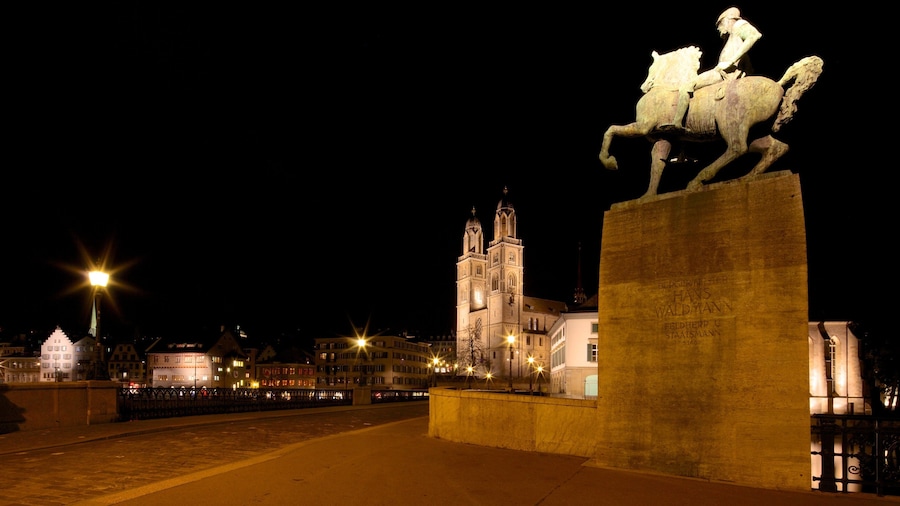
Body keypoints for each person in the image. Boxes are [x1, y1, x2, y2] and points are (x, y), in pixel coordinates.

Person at [663, 7, 762, 132]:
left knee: (686, 86)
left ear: (727, 20)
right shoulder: (733, 37)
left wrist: (730, 62)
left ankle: (677, 123)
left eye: (720, 24)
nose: (718, 28)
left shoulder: (738, 26)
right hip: (723, 71)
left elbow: (754, 35)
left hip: (722, 73)